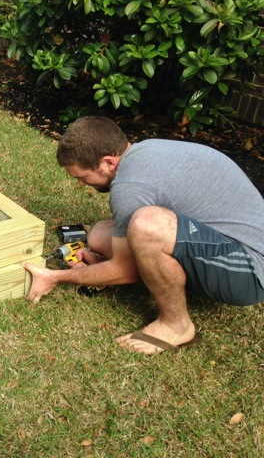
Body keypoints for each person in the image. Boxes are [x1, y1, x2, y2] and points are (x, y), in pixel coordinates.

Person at [23, 116, 264, 355]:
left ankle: (176, 325)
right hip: (219, 241)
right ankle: (161, 275)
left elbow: (125, 270)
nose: (81, 184)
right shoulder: (142, 151)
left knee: (147, 226)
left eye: (83, 177)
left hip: (248, 268)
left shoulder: (130, 185)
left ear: (107, 162)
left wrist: (56, 277)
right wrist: (104, 267)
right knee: (99, 235)